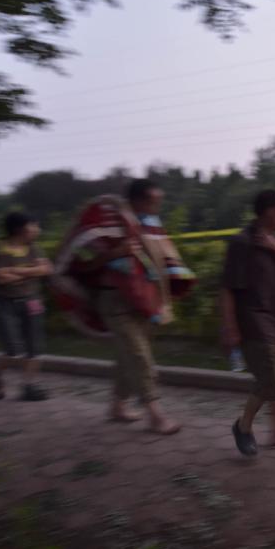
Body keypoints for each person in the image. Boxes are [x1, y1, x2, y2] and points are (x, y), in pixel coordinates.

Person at [87, 180, 183, 434]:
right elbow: (87, 264)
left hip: (142, 301)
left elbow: (162, 258)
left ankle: (117, 406)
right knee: (139, 356)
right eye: (153, 202)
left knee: (126, 357)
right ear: (137, 200)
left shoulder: (150, 226)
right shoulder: (107, 225)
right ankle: (155, 416)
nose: (156, 207)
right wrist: (116, 252)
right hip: (115, 301)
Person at [221, 190, 275, 457]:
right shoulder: (241, 243)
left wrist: (273, 246)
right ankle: (243, 427)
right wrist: (230, 327)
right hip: (253, 323)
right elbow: (226, 289)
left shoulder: (273, 240)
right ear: (270, 211)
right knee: (271, 380)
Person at [0, 212, 52, 402]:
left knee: (34, 345)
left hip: (32, 300)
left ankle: (29, 386)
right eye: (33, 225)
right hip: (5, 302)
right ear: (18, 229)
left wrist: (14, 271)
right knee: (13, 348)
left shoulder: (34, 248)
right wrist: (32, 272)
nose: (37, 229)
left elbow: (46, 270)